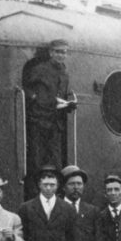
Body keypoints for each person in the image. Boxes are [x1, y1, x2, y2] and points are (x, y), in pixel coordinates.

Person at [22, 39, 76, 180]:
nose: (61, 55)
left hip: (56, 123)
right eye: (58, 52)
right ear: (51, 52)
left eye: (64, 52)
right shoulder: (39, 69)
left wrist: (67, 103)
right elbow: (26, 88)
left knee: (55, 161)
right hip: (38, 121)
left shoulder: (64, 72)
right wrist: (36, 98)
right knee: (36, 161)